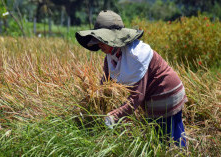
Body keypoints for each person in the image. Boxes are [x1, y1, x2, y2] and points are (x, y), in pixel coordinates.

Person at [75, 10, 187, 147]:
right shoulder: (110, 56)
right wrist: (94, 102)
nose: (99, 44)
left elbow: (136, 98)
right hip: (150, 96)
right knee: (158, 138)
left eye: (102, 39)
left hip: (166, 93)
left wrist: (114, 116)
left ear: (114, 39)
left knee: (171, 139)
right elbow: (105, 83)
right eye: (98, 39)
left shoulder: (136, 56)